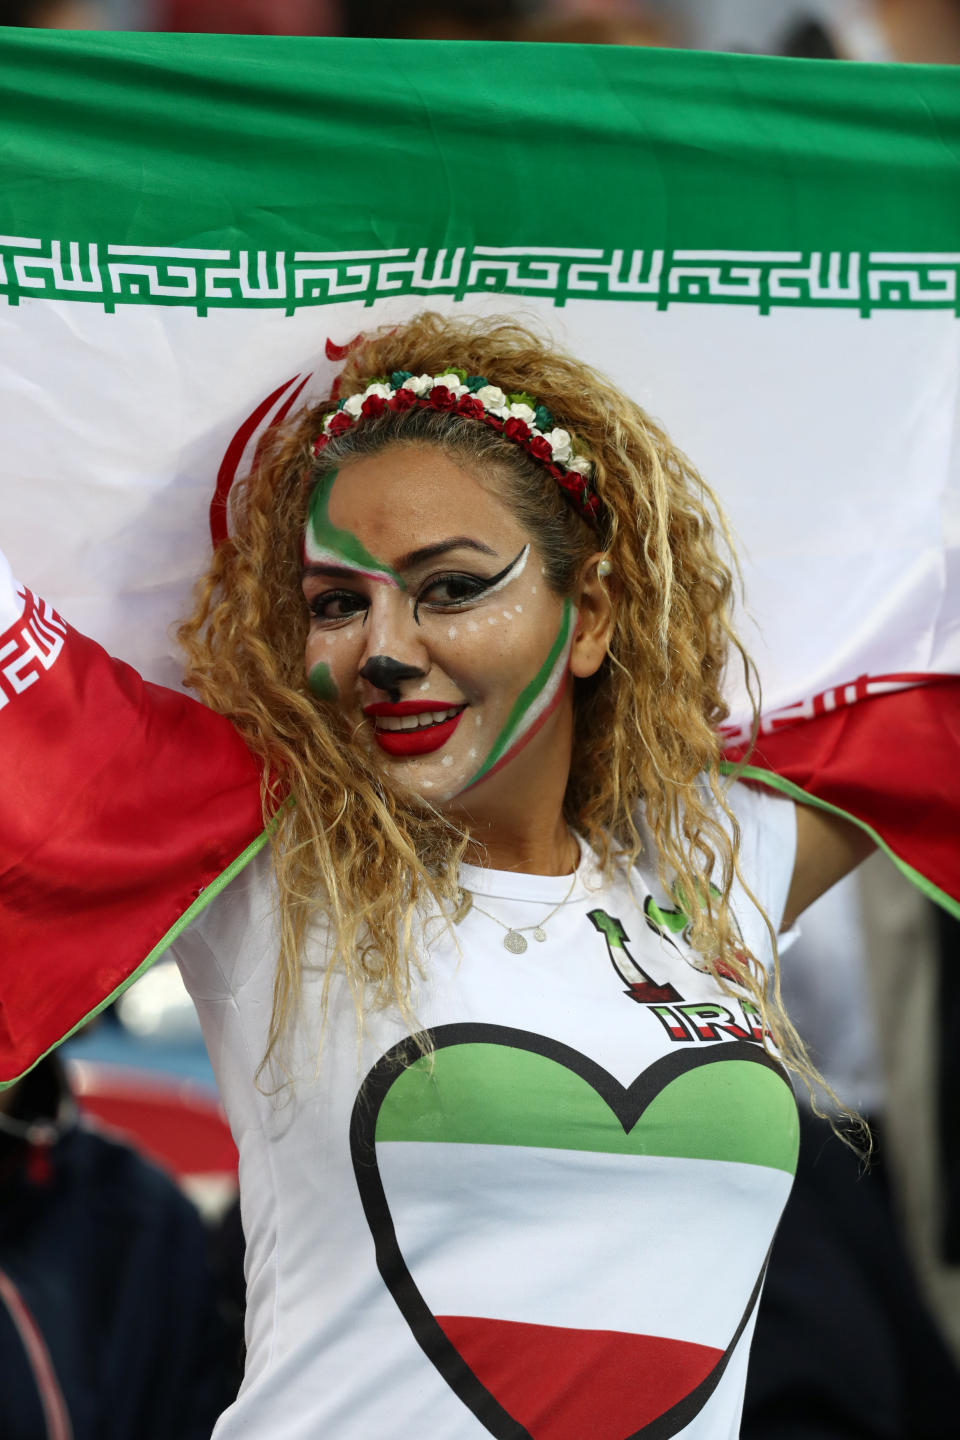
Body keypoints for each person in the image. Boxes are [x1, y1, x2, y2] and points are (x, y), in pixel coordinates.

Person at [4, 311, 875, 1437]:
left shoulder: (711, 865)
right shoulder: (266, 862)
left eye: (451, 587)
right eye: (337, 602)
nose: (387, 646)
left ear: (592, 614)